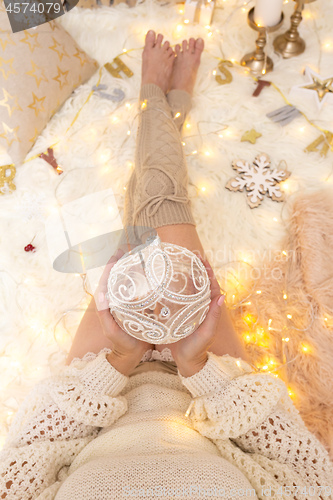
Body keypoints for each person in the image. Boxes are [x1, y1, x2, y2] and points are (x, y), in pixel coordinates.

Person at [1, 31, 332, 500]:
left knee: (146, 221)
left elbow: (27, 455)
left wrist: (119, 360)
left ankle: (158, 102)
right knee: (159, 208)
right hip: (213, 382)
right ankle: (159, 103)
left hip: (99, 384)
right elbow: (304, 470)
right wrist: (197, 368)